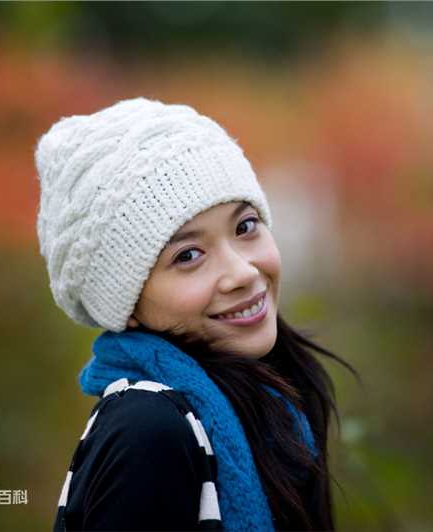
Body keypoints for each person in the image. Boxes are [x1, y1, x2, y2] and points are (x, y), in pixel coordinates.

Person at [34, 97, 358, 531]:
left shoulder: (279, 400)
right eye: (188, 255)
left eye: (245, 227)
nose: (242, 272)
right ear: (127, 306)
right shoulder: (148, 432)